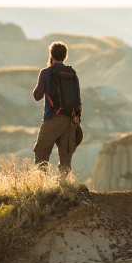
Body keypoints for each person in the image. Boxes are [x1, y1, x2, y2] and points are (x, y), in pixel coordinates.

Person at [32, 40, 82, 173]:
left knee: (41, 153)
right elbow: (78, 102)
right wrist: (77, 122)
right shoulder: (72, 74)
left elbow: (37, 96)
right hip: (70, 121)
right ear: (65, 56)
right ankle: (65, 188)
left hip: (52, 119)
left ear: (51, 55)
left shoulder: (46, 72)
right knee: (65, 159)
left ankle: (40, 186)